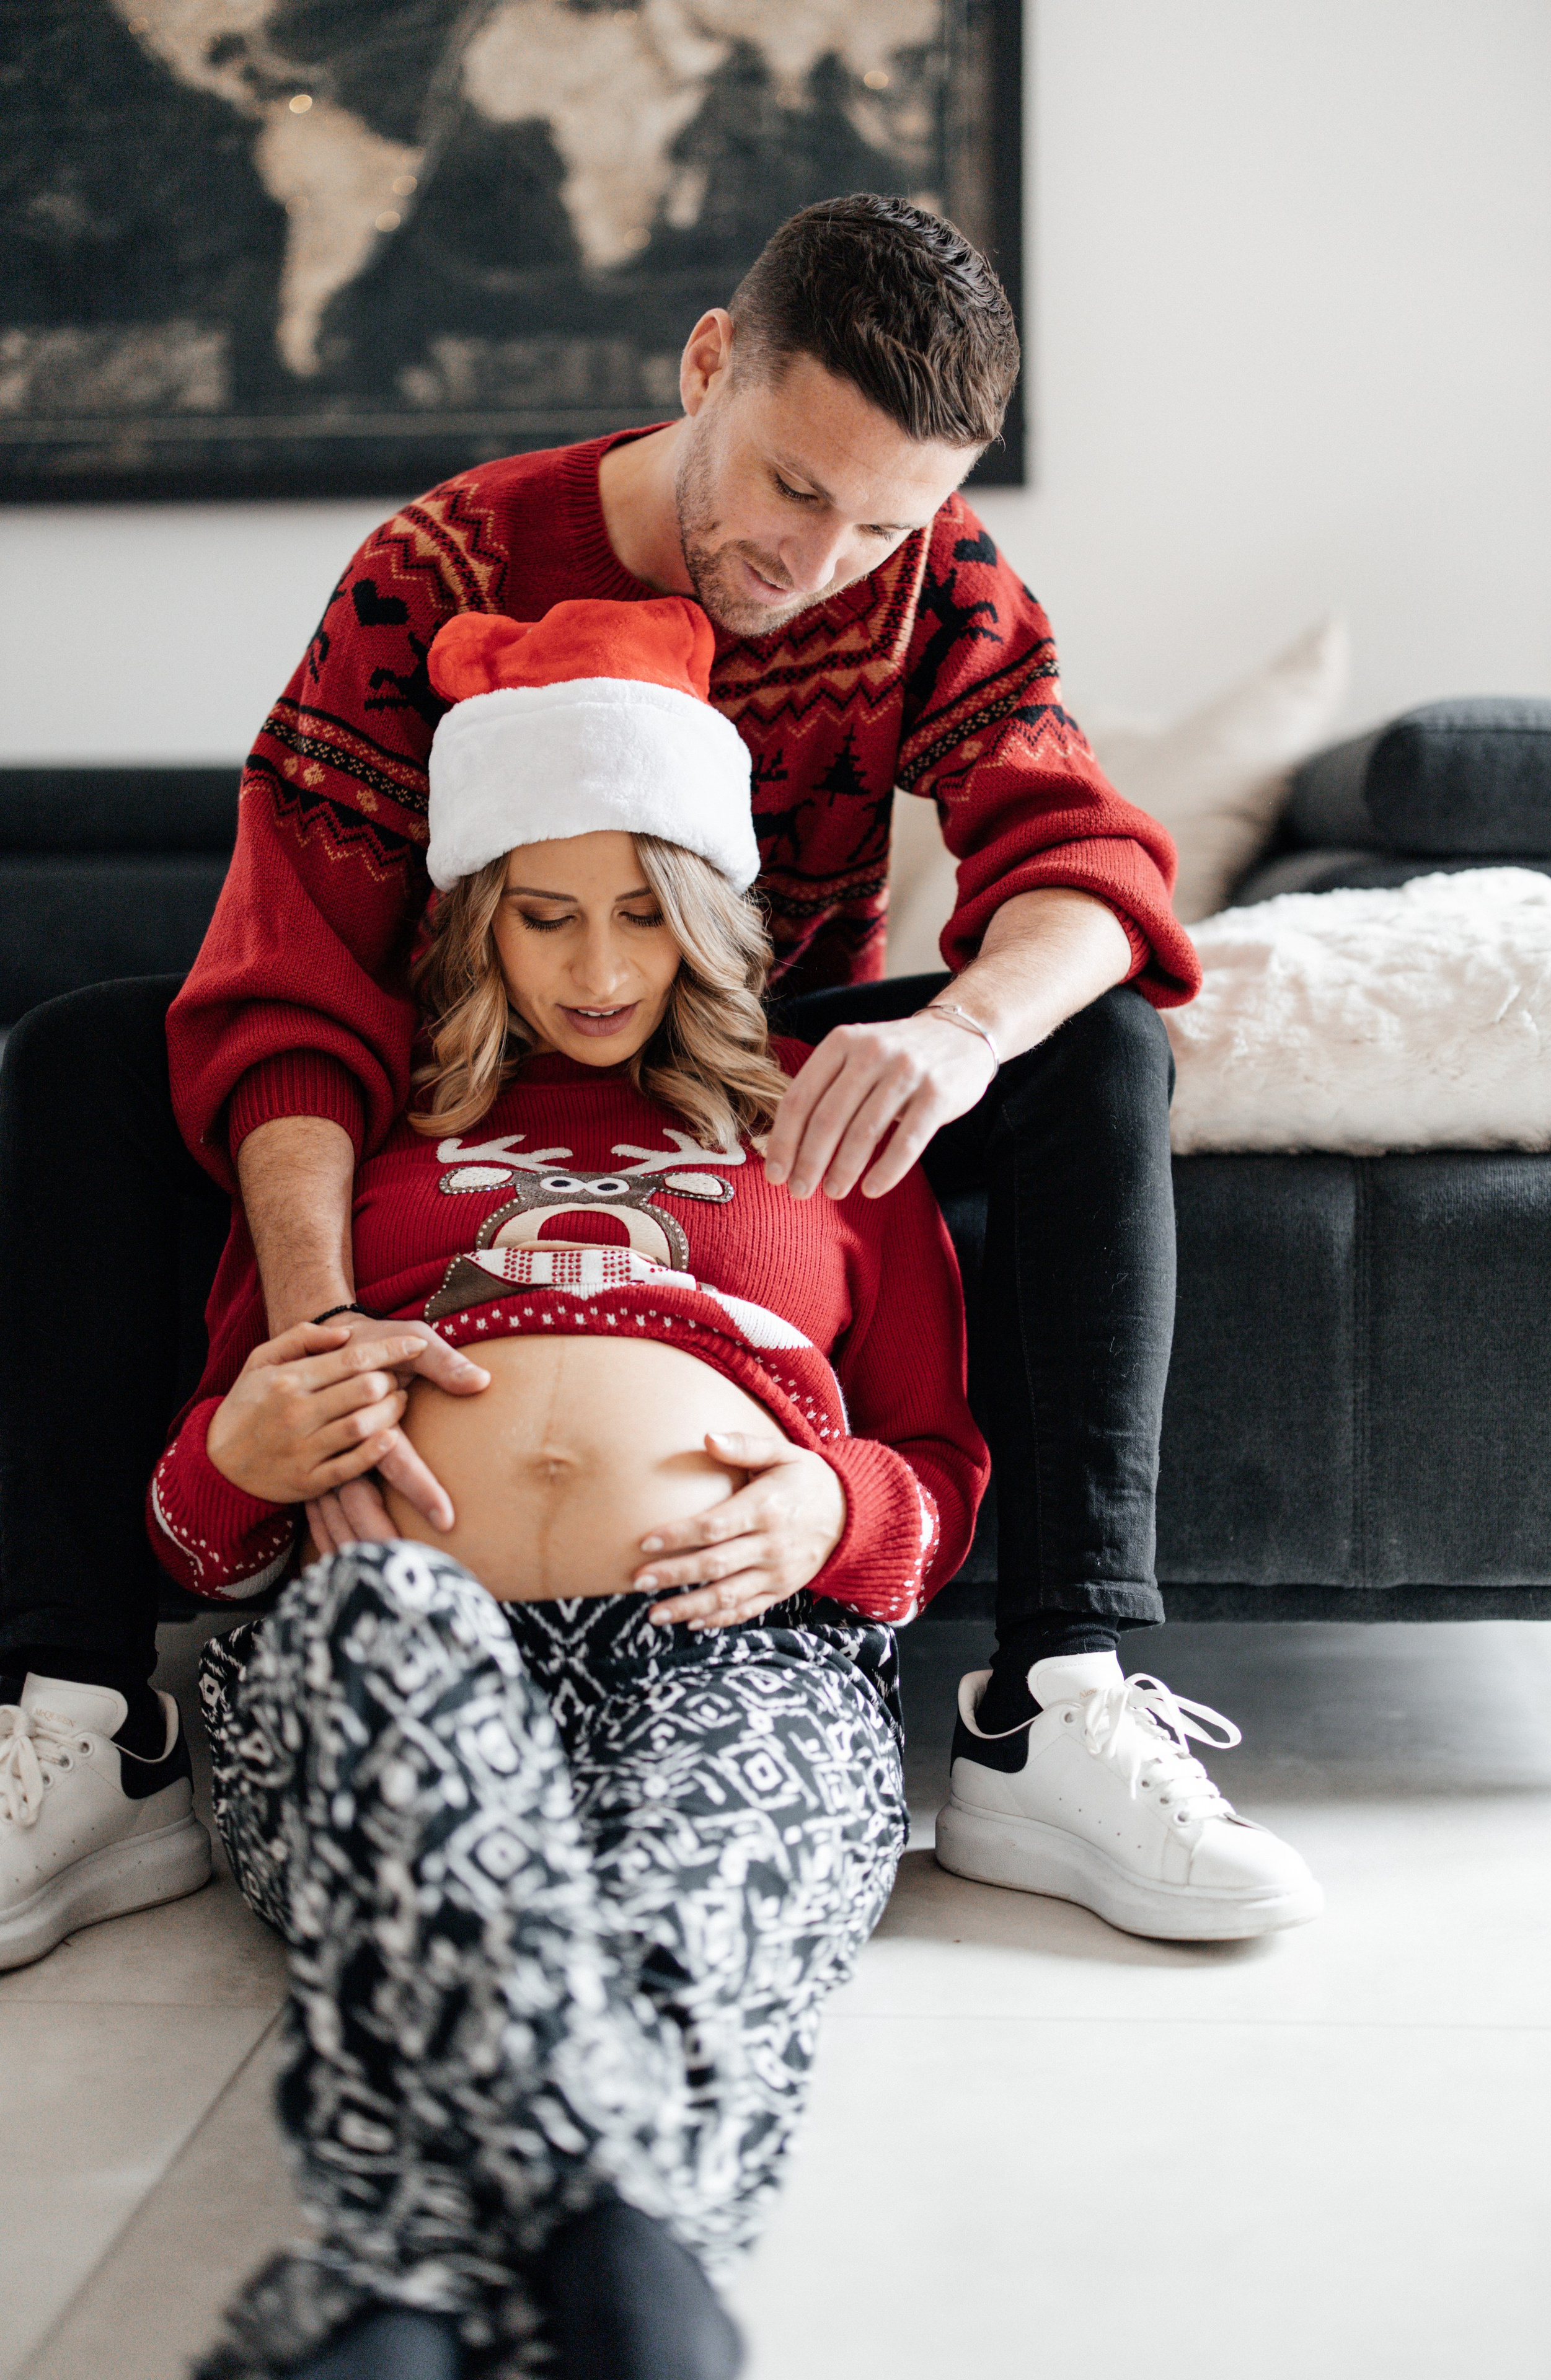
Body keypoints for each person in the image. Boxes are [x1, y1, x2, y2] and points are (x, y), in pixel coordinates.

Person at [0, 192, 1319, 1968]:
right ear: (709, 363)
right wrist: (317, 1346)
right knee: (86, 1055)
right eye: (792, 488)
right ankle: (90, 1715)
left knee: (1087, 1031)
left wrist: (956, 1033)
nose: (823, 559)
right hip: (452, 1074)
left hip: (756, 1073)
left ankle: (1053, 1702)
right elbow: (291, 977)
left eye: (883, 520)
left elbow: (1085, 860)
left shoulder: (931, 572)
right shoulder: (443, 567)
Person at [147, 594, 988, 2380]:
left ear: (711, 914)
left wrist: (833, 1510)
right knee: (389, 1665)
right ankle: (632, 2291)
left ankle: (403, 2304)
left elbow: (940, 1463)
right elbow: (202, 1513)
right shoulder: (366, 1149)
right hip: (391, 1628)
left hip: (738, 1653)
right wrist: (235, 1463)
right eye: (544, 916)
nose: (597, 969)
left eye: (642, 914)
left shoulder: (816, 1131)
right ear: (476, 919)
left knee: (680, 1922)